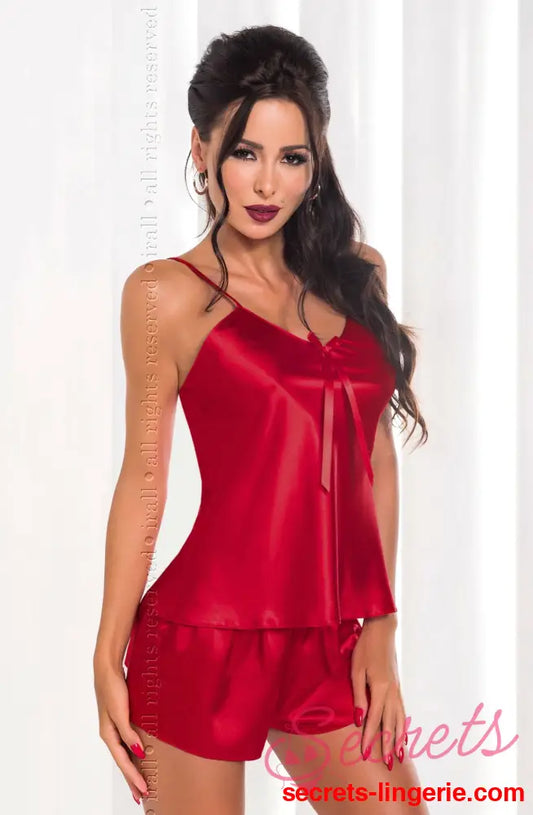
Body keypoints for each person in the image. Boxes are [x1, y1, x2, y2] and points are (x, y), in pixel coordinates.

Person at [93, 24, 429, 814]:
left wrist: (379, 626)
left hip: (330, 644)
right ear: (201, 149)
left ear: (316, 163)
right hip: (197, 642)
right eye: (245, 152)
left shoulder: (357, 275)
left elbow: (374, 458)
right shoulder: (165, 295)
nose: (267, 183)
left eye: (292, 157)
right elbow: (144, 480)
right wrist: (107, 653)